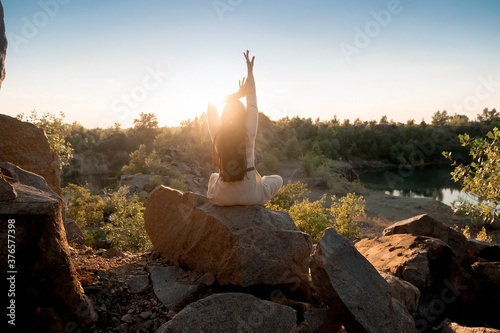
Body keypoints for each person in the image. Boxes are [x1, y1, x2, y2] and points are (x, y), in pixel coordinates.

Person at [206, 50, 283, 206]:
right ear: (243, 116)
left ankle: (246, 184)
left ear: (224, 116)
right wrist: (250, 71)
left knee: (214, 176)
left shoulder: (218, 136)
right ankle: (258, 181)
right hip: (251, 196)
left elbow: (211, 105)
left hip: (222, 197)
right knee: (278, 179)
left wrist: (236, 94)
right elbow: (252, 101)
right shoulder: (248, 133)